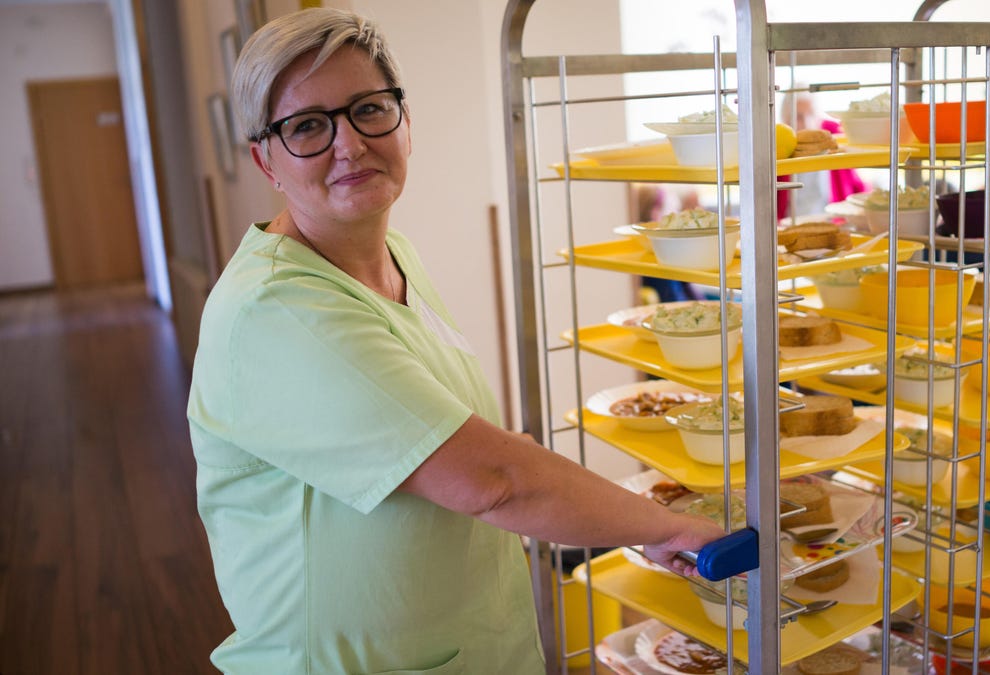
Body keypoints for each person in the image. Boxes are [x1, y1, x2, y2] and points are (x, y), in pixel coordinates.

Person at [186, 9, 726, 673]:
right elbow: (492, 478)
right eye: (307, 127)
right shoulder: (277, 310)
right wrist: (665, 526)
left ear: (404, 120)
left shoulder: (393, 257)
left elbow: (469, 442)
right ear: (265, 159)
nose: (350, 144)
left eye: (368, 109)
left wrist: (628, 517)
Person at [777, 88, 866, 222]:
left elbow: (855, 184)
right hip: (791, 224)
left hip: (833, 221)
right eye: (799, 117)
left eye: (811, 114)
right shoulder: (780, 147)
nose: (807, 123)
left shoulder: (832, 136)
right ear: (786, 119)